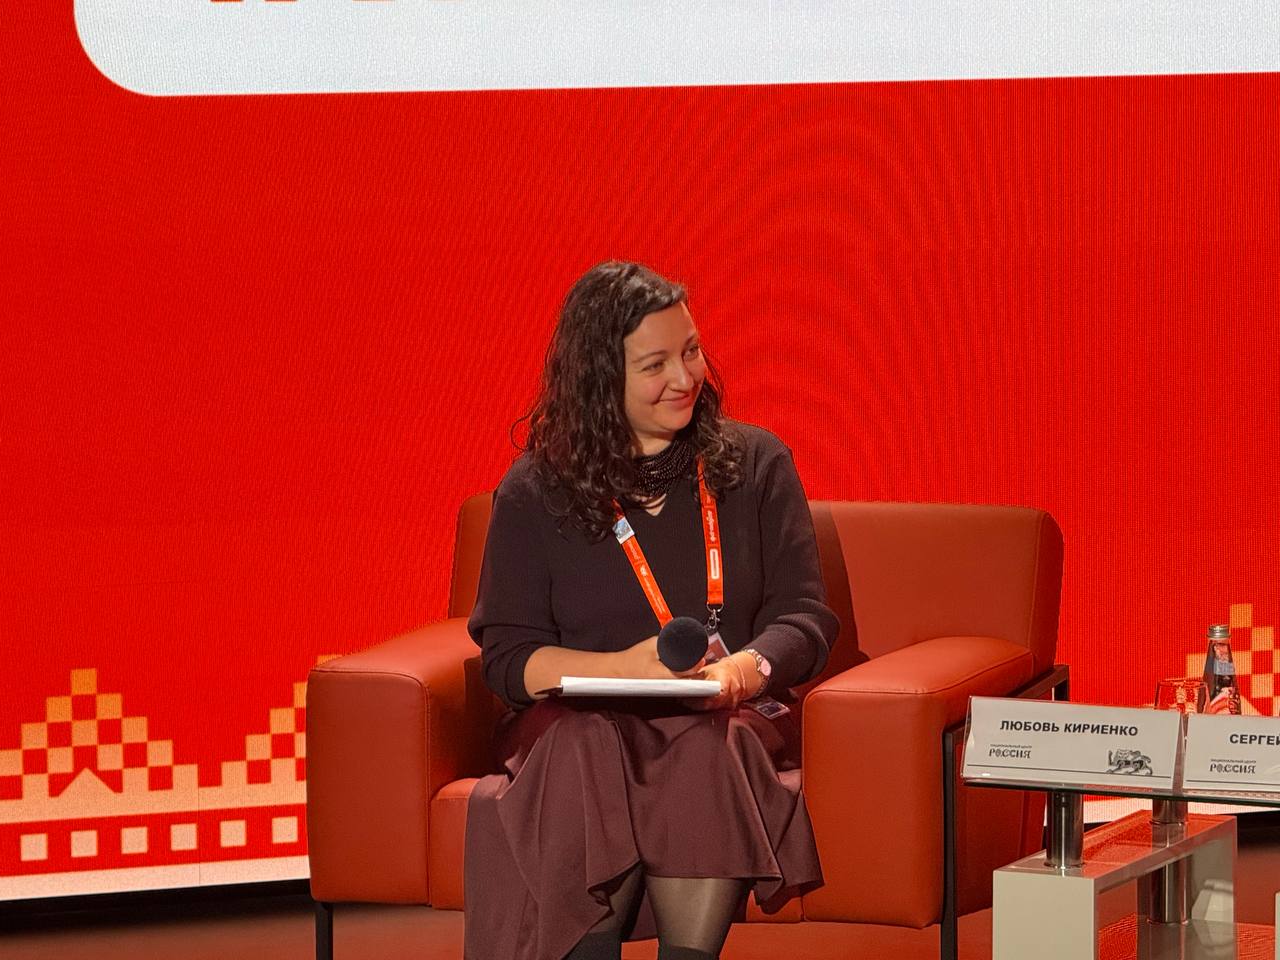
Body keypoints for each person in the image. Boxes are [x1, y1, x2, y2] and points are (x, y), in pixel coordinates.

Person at [464, 261, 838, 960]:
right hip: (578, 726)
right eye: (654, 364)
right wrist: (622, 667)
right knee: (582, 747)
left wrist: (745, 672)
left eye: (690, 351)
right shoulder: (534, 490)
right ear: (599, 378)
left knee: (704, 749)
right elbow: (509, 659)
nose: (684, 377)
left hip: (719, 716)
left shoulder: (756, 464)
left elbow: (804, 618)